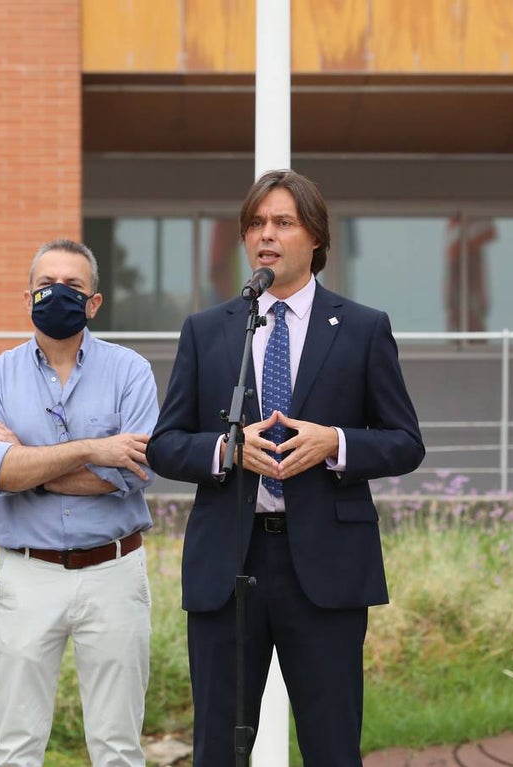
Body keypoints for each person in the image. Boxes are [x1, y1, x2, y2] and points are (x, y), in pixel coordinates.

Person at [146, 169, 426, 766]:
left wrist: (337, 443)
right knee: (219, 749)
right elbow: (166, 444)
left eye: (282, 222)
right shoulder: (208, 330)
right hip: (230, 564)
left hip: (325, 571)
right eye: (255, 224)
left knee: (330, 747)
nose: (265, 235)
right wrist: (225, 450)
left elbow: (405, 442)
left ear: (316, 238)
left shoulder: (362, 328)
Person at [0, 239, 159, 767]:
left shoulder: (130, 372)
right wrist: (95, 450)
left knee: (118, 747)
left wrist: (29, 463)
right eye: (46, 284)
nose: (57, 294)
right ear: (27, 297)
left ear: (94, 302)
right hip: (29, 574)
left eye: (72, 286)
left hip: (114, 570)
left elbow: (137, 470)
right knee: (15, 746)